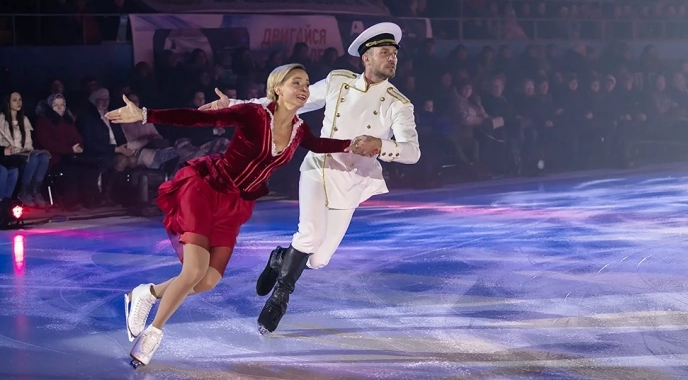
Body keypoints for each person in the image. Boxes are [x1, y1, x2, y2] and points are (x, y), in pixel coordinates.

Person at [105, 64, 382, 368]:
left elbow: (317, 145)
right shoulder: (254, 114)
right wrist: (146, 114)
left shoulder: (299, 129)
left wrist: (352, 145)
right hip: (206, 189)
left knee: (208, 280)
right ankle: (153, 333)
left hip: (235, 204)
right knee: (194, 270)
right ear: (277, 88)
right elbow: (198, 118)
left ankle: (147, 293)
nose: (304, 89)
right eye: (296, 82)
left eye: (306, 84)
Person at [200, 22, 421, 334]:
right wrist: (234, 106)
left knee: (318, 259)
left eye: (394, 53)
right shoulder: (338, 82)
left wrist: (381, 145)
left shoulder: (399, 104)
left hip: (352, 180)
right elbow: (287, 103)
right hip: (319, 168)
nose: (392, 58)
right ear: (366, 58)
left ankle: (280, 258)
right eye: (385, 52)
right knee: (308, 235)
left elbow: (412, 152)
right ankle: (279, 300)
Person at [0, 92, 50, 207]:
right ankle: (23, 191)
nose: (18, 102)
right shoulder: (1, 120)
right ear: (7, 102)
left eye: (20, 99)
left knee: (44, 157)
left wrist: (27, 150)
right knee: (33, 159)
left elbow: (28, 142)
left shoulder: (24, 119)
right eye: (14, 100)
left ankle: (35, 190)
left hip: (22, 153)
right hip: (10, 155)